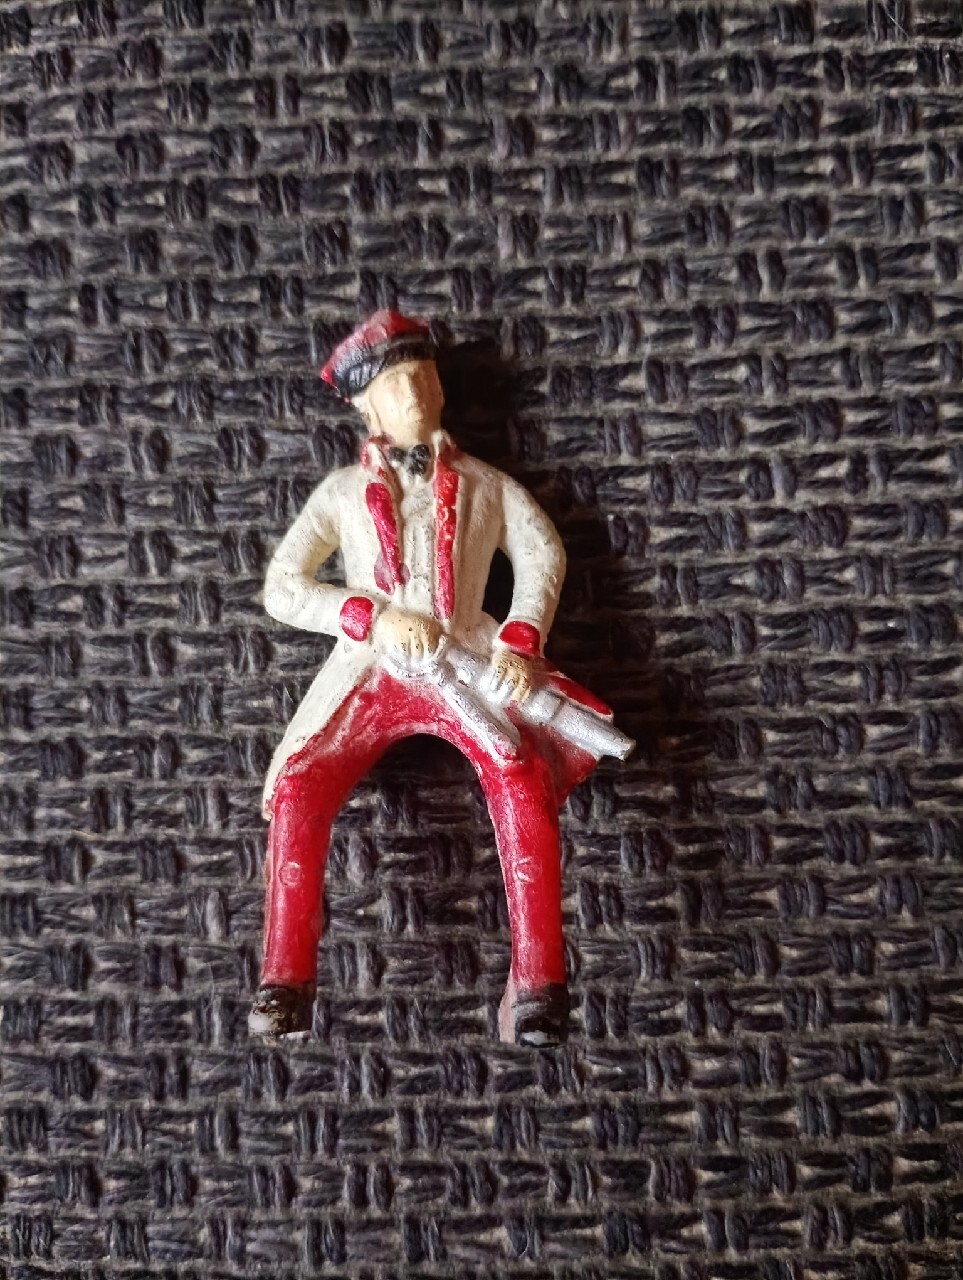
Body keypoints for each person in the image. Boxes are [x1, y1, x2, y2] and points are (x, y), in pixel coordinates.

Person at [250, 310, 626, 1046]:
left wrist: (520, 639)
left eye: (423, 377)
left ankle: (540, 983)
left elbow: (541, 554)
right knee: (300, 781)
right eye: (395, 385)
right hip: (370, 669)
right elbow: (284, 587)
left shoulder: (487, 484)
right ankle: (283, 979)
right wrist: (368, 616)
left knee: (519, 772)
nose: (414, 393)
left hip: (470, 659)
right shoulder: (338, 495)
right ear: (366, 408)